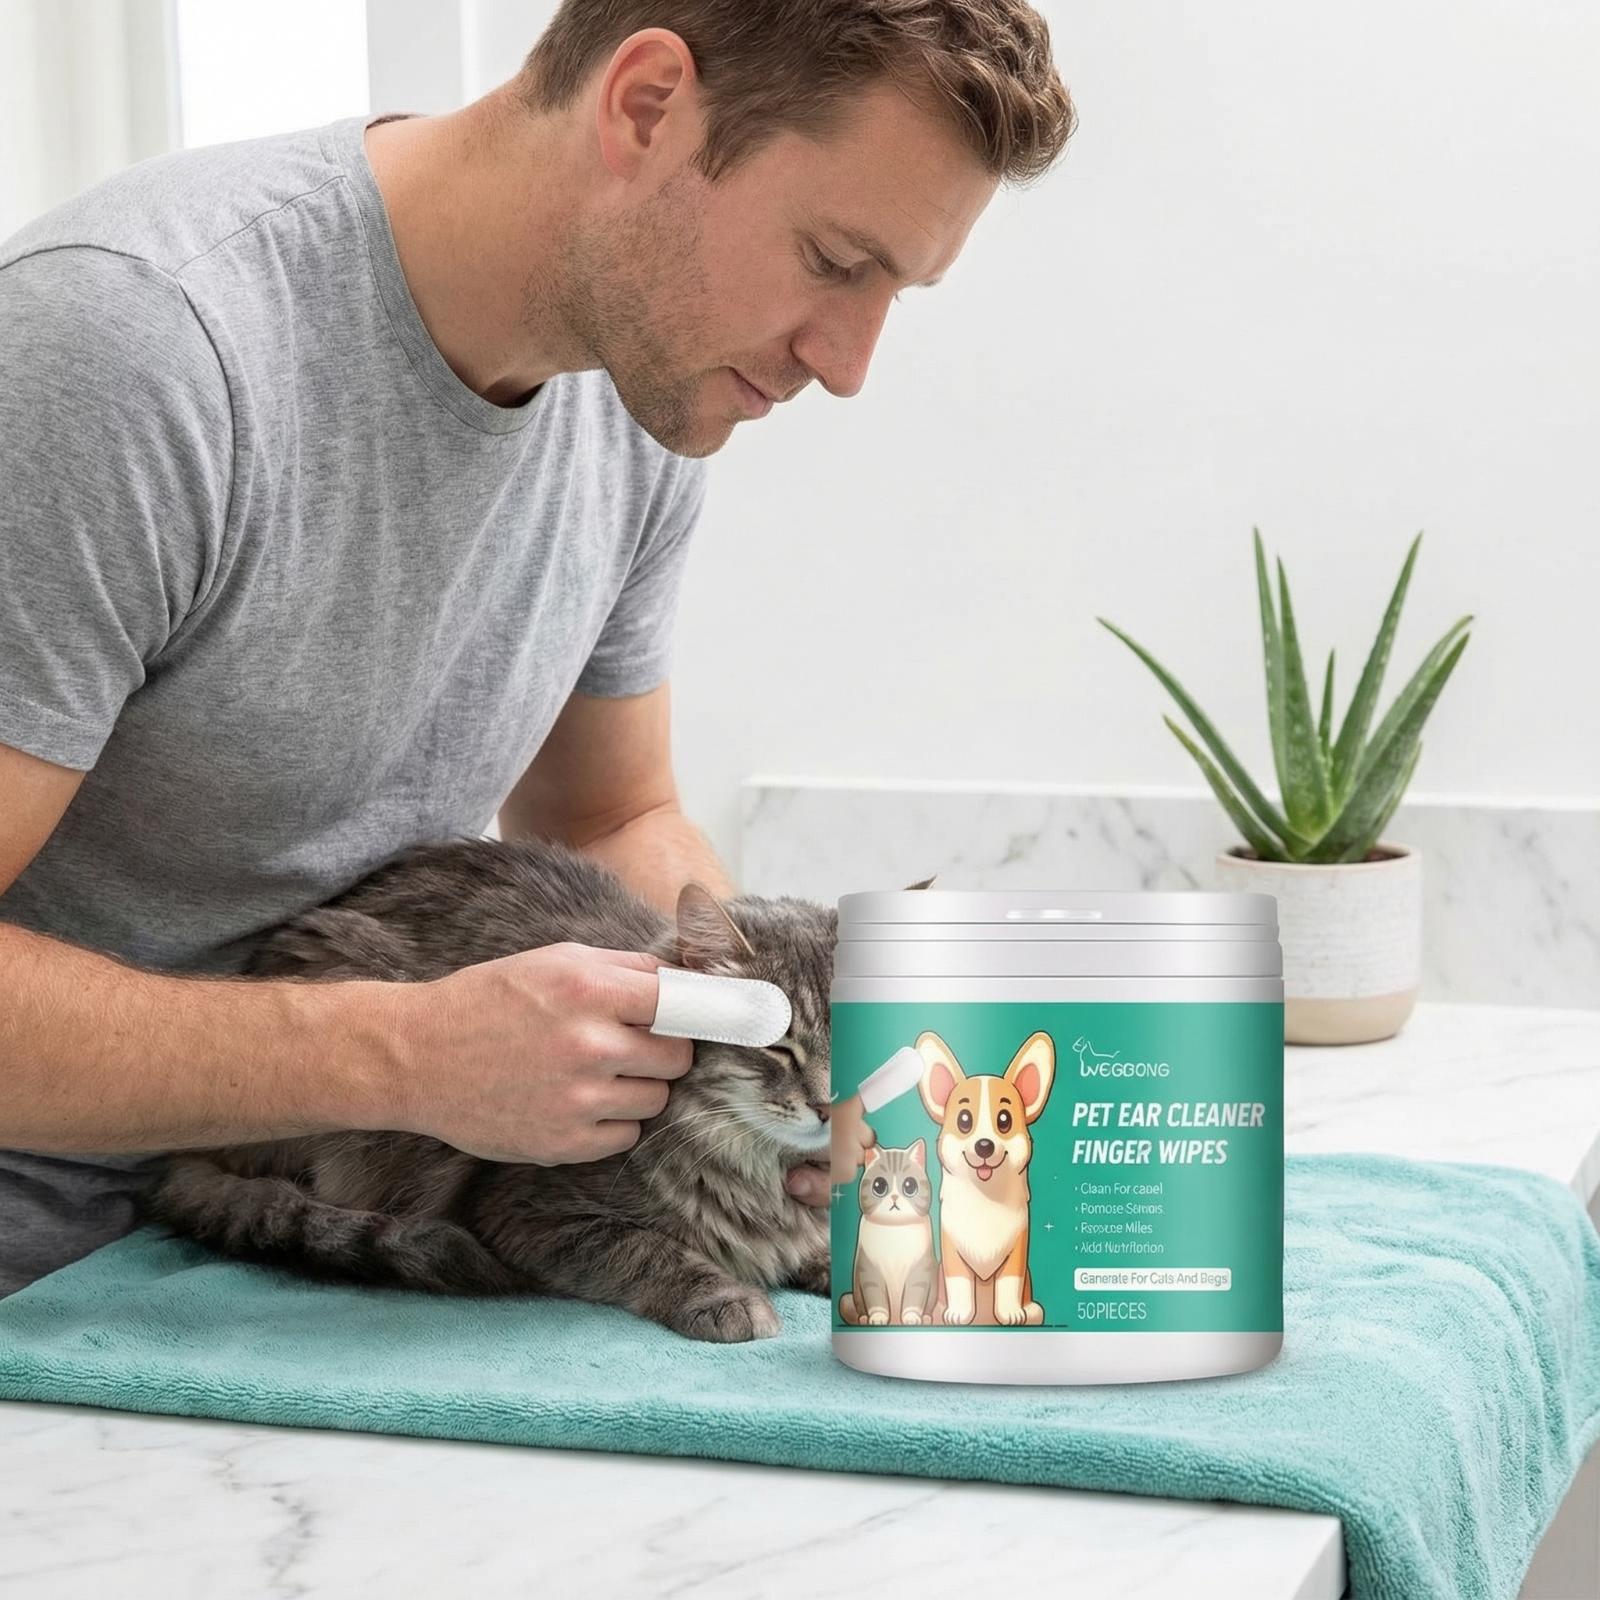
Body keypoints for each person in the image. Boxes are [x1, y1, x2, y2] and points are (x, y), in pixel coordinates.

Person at [0, 1, 1075, 1297]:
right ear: (647, 106)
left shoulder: (639, 391)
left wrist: (771, 1072)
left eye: (896, 290)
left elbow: (612, 817)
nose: (847, 365)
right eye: (835, 259)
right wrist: (400, 1057)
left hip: (362, 1238)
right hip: (54, 1281)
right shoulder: (133, 351)